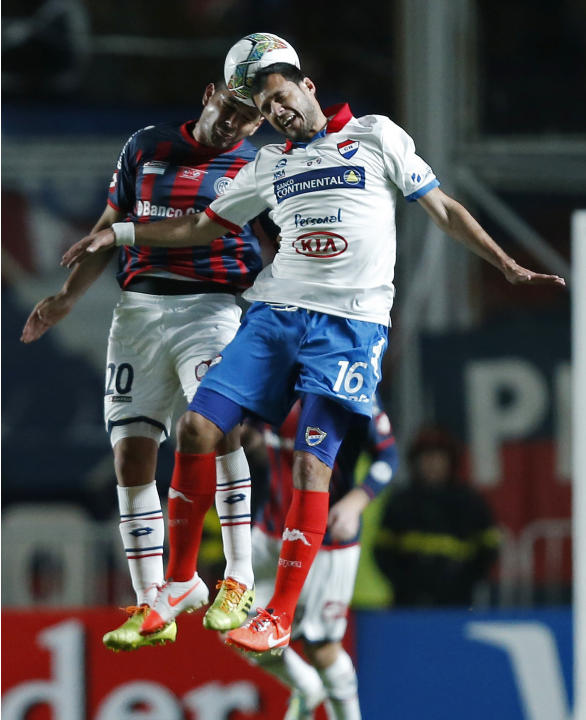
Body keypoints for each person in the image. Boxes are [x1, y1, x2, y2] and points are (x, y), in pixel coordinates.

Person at [61, 61, 565, 654]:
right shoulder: (268, 164)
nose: (275, 112)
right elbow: (199, 227)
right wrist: (120, 236)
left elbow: (444, 208)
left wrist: (505, 264)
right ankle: (177, 584)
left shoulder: (377, 135)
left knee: (311, 467)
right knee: (197, 427)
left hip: (349, 328)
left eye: (278, 96)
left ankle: (277, 611)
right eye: (264, 108)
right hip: (275, 315)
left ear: (307, 88)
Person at [21, 81, 273, 650]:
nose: (234, 123)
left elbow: (277, 245)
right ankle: (152, 600)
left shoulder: (257, 166)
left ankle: (238, 578)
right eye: (230, 108)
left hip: (213, 308)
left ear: (258, 127)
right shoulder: (145, 146)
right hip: (136, 314)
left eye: (248, 118)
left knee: (218, 426)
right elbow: (105, 234)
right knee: (132, 456)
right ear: (209, 95)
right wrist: (65, 298)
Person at [242, 394, 398, 720]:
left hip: (326, 540)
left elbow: (388, 455)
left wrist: (357, 501)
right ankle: (306, 686)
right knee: (233, 624)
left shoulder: (350, 381)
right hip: (269, 534)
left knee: (321, 649)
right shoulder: (270, 370)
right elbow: (254, 434)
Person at [374, 426, 500, 607]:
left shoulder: (470, 501)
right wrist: (405, 582)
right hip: (408, 602)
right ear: (415, 462)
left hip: (458, 601)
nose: (432, 464)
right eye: (426, 457)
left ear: (450, 461)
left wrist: (464, 579)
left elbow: (489, 549)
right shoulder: (401, 502)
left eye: (439, 457)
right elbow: (382, 552)